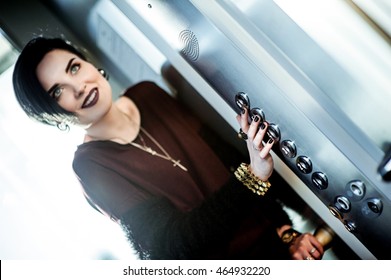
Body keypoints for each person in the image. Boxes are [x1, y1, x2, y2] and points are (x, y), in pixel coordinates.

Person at [12, 36, 324, 260]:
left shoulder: (149, 94)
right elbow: (170, 246)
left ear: (89, 64)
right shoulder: (91, 167)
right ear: (55, 116)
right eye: (57, 92)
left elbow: (224, 159)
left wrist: (285, 232)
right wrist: (253, 176)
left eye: (74, 68)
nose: (78, 87)